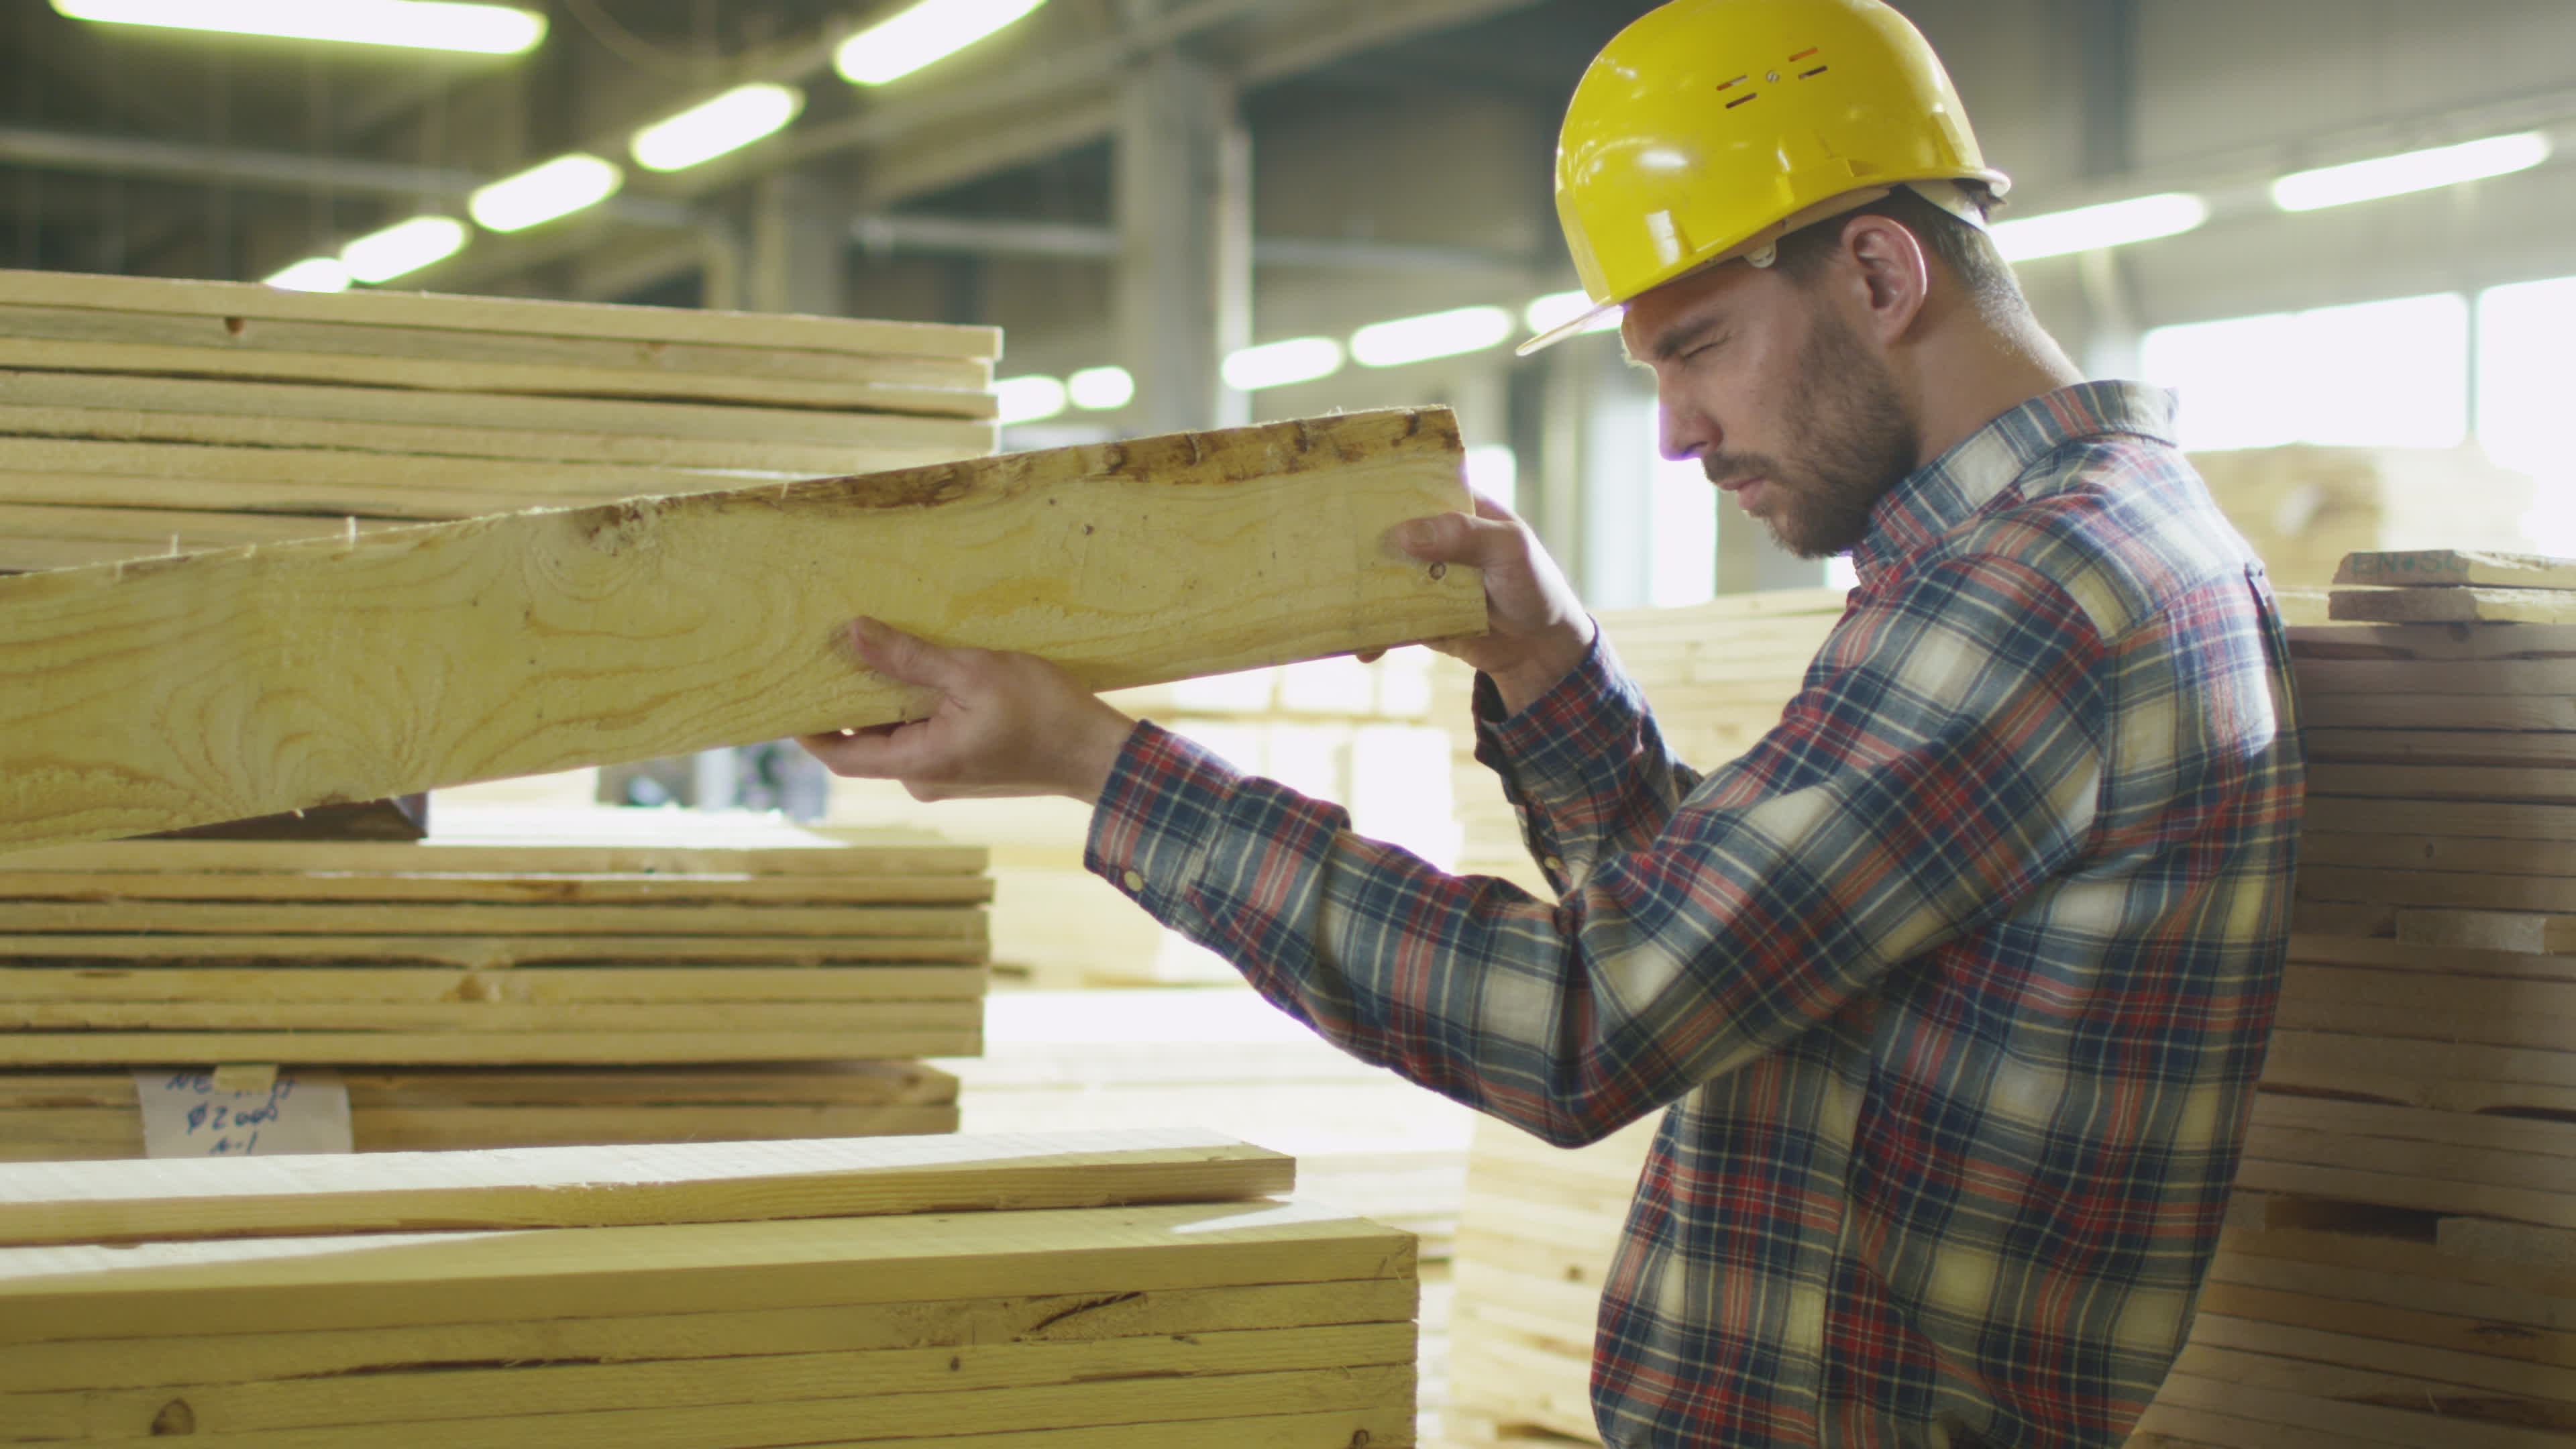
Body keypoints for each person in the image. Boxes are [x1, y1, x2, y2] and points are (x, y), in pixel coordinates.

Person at [799, 0, 2306, 1443]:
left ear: (1878, 275)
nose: (1675, 430)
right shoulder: (2082, 554)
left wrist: (1098, 767)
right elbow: (1735, 962)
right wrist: (1553, 671)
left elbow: (1583, 1027)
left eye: (1698, 344)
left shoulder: (2035, 596)